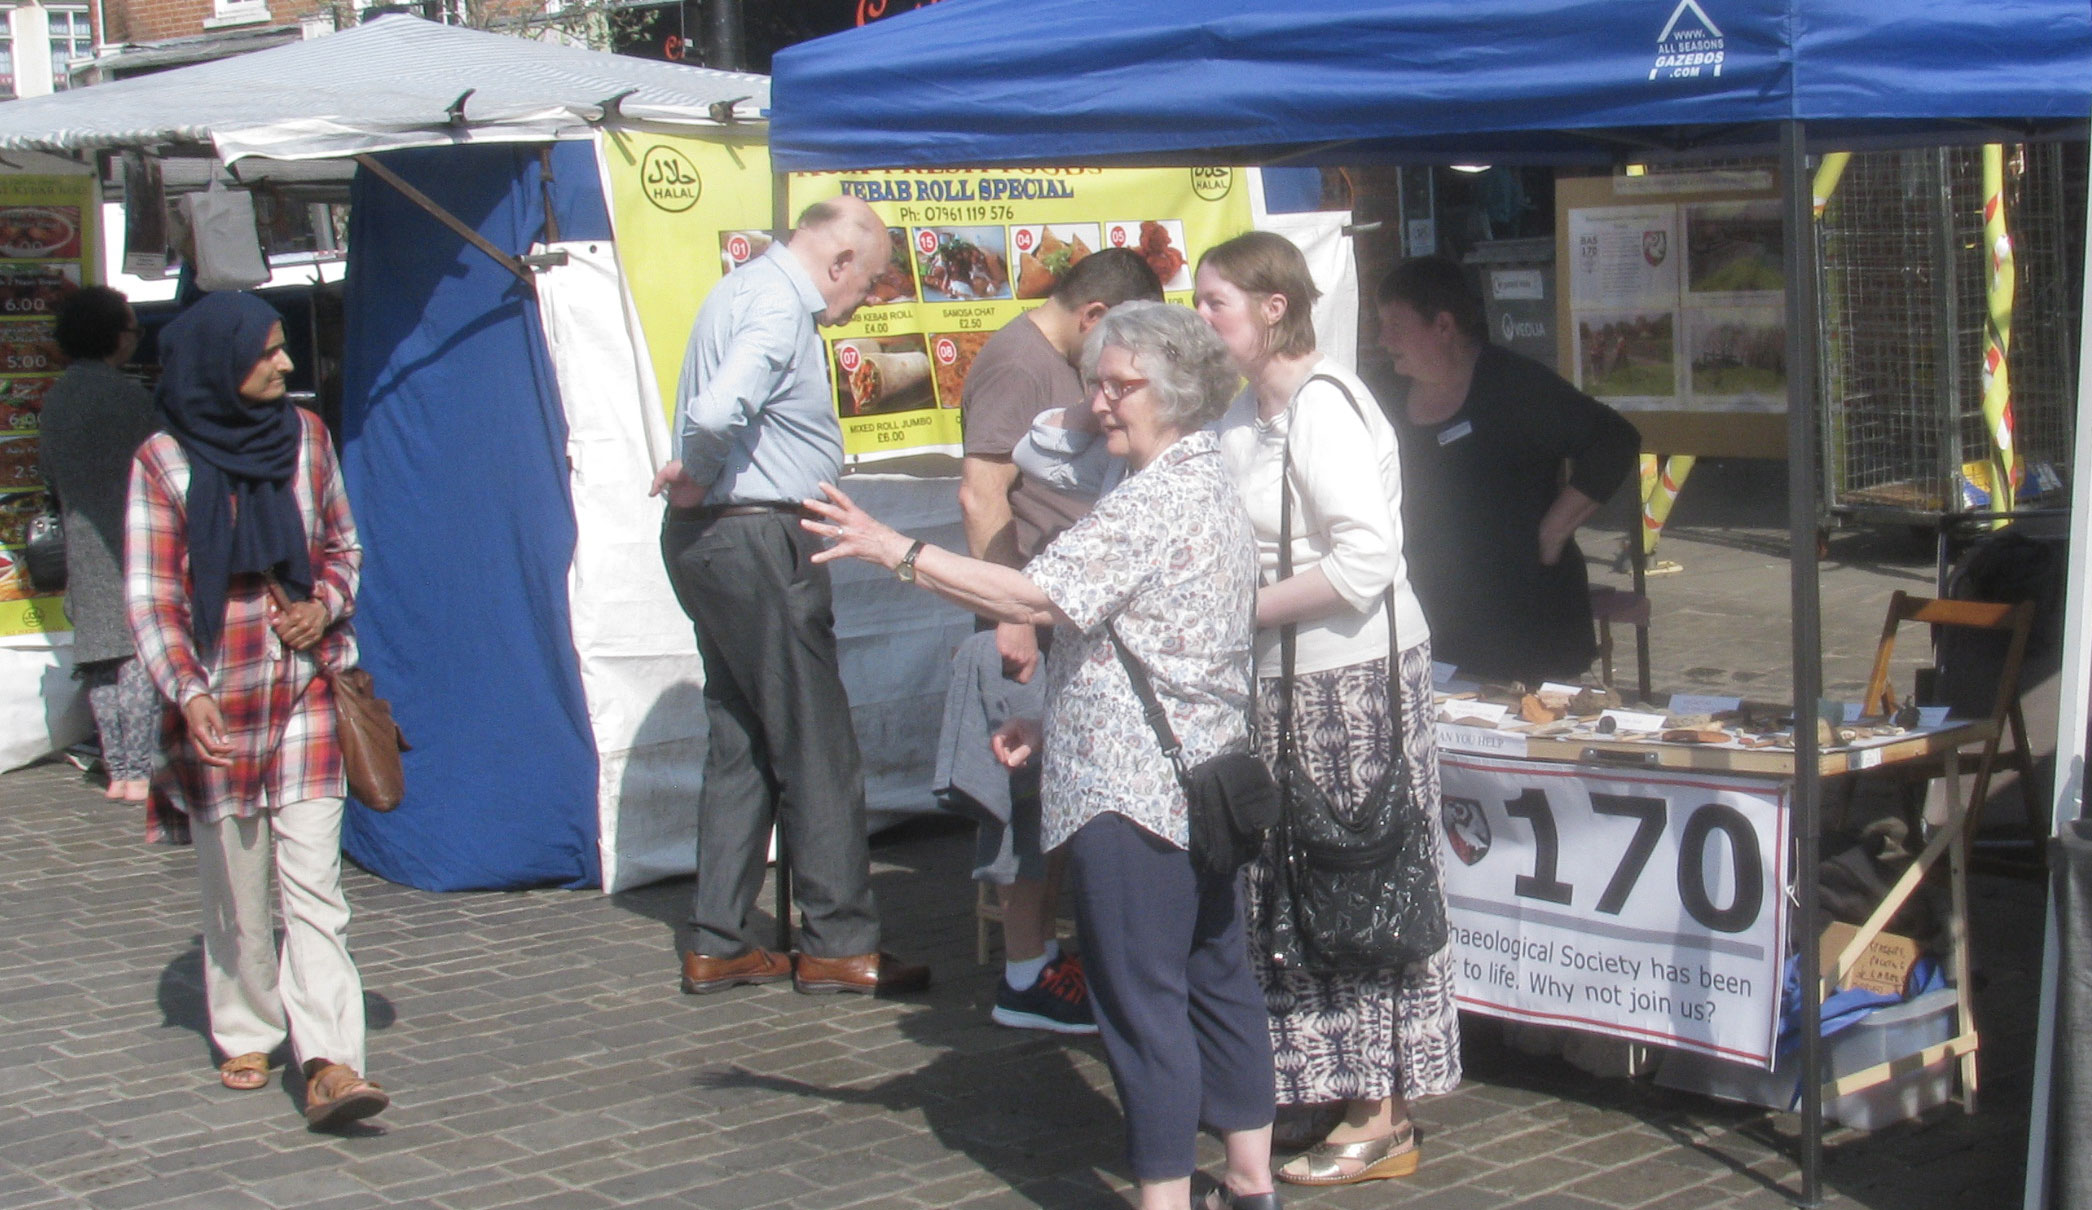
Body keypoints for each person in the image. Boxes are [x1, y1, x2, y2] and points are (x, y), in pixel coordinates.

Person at [807, 302, 1279, 1210]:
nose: (1101, 402)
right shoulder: (1206, 476)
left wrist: (894, 550)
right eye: (1096, 380)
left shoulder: (1154, 496)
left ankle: (1165, 1202)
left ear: (1176, 390)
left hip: (1133, 800)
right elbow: (1164, 641)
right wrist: (1055, 724)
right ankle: (1250, 1188)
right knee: (1220, 982)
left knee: (1143, 1012)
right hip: (1206, 778)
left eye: (1122, 386)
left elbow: (1034, 593)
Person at [1196, 232, 1459, 1186]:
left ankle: (1383, 1111)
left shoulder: (1327, 408)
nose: (1201, 320)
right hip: (1279, 684)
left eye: (1214, 303)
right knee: (1296, 889)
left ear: (1274, 309)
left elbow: (1365, 561)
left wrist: (1237, 611)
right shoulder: (1240, 418)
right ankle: (1324, 1083)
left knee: (1362, 876)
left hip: (1355, 683)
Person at [651, 195, 930, 997]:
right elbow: (716, 409)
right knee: (817, 744)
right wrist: (698, 471)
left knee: (740, 734)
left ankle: (720, 938)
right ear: (838, 261)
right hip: (755, 537)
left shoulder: (740, 289)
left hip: (721, 540)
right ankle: (839, 939)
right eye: (867, 280)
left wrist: (698, 481)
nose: (863, 299)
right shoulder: (778, 303)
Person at [125, 291, 387, 1129]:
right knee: (237, 886)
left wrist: (327, 602)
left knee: (314, 885)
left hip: (306, 685)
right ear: (218, 362)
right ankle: (245, 1019)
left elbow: (344, 545)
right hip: (218, 698)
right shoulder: (164, 462)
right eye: (269, 351)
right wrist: (188, 691)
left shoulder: (306, 441)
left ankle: (331, 1061)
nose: (286, 364)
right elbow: (153, 597)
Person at [947, 247, 1162, 1033]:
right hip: (1024, 614)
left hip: (1057, 612)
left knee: (1058, 793)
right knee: (1026, 804)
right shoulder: (1017, 364)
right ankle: (1025, 974)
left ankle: (1045, 961)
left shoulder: (1049, 358)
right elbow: (981, 491)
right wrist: (1010, 616)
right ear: (1094, 315)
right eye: (1118, 340)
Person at [1376, 255, 1639, 684]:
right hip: (1426, 616)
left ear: (1443, 326)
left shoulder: (1513, 386)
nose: (1383, 339)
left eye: (1396, 325)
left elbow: (1614, 441)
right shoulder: (1381, 390)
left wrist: (1555, 528)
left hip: (1523, 618)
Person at [39, 286, 158, 804]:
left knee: (100, 658)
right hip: (133, 537)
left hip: (81, 538)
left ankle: (117, 769)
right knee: (136, 657)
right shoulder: (128, 397)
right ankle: (140, 767)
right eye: (132, 329)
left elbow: (48, 471)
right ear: (114, 337)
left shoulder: (58, 396)